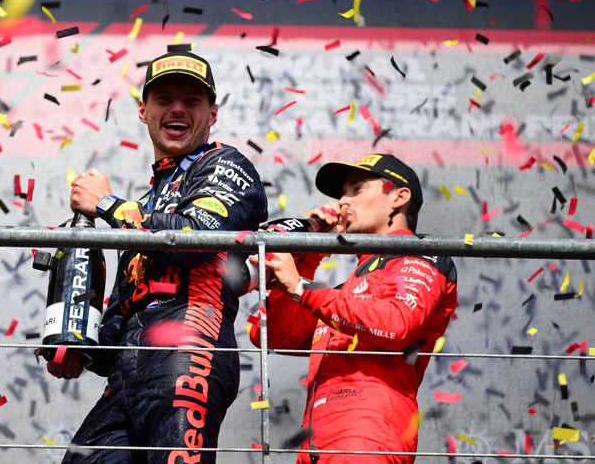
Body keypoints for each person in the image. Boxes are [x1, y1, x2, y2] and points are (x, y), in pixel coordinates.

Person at [50, 51, 268, 463]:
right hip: (127, 376)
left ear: (213, 113)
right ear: (143, 110)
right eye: (165, 98)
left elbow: (195, 237)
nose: (178, 109)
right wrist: (78, 348)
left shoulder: (226, 164)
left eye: (193, 100)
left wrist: (109, 205)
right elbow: (121, 313)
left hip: (187, 353)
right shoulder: (148, 204)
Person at [249, 154, 458, 464]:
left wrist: (300, 288)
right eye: (341, 194)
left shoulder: (421, 255)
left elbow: (397, 323)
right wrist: (310, 250)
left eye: (357, 189)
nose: (343, 202)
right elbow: (272, 333)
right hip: (316, 446)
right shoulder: (341, 295)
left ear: (398, 197)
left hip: (368, 438)